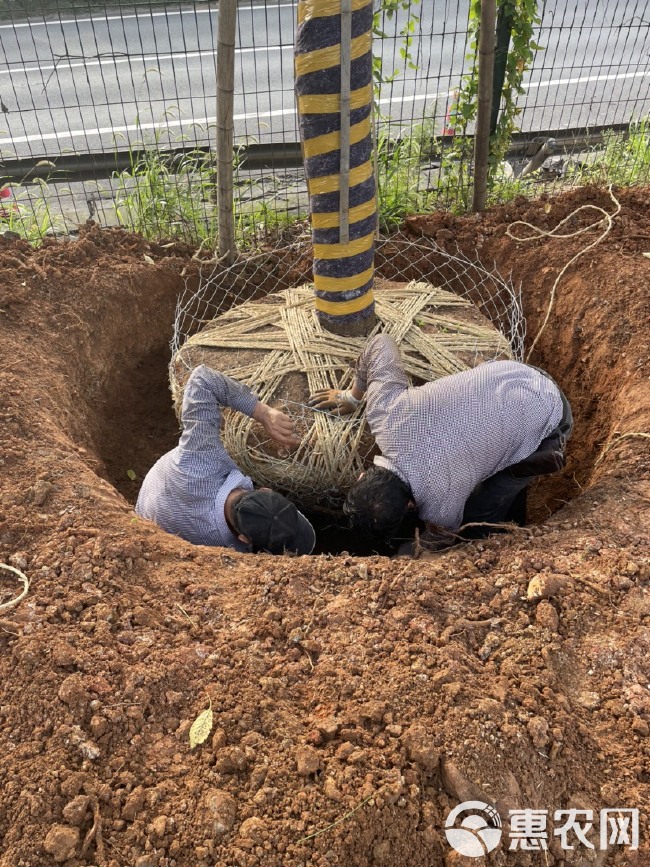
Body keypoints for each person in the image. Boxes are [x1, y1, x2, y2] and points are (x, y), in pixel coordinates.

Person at [308, 334, 572, 546]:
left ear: (411, 506)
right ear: (362, 477)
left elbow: (445, 537)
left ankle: (497, 539)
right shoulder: (384, 413)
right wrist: (354, 396)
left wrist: (416, 550)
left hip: (549, 419)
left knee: (481, 512)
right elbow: (381, 343)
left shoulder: (442, 507)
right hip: (517, 376)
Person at [136, 364, 315, 555]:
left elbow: (202, 380)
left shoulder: (202, 457)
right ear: (244, 540)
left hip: (150, 504)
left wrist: (263, 413)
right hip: (156, 517)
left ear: (265, 490)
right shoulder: (224, 551)